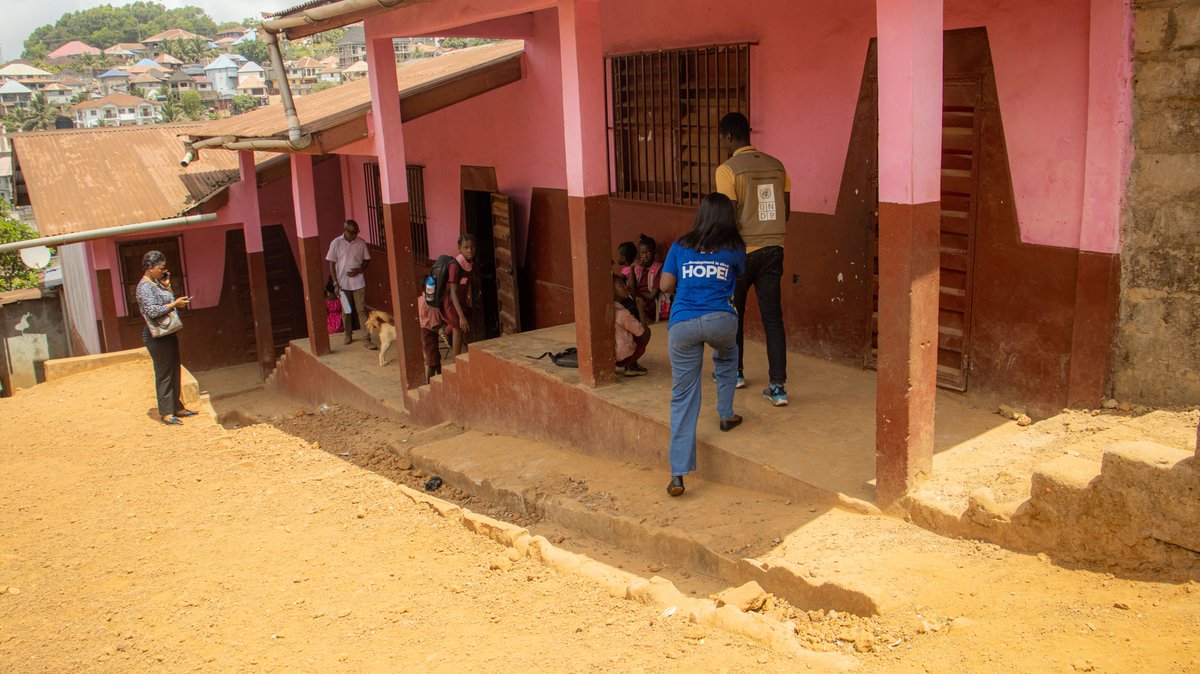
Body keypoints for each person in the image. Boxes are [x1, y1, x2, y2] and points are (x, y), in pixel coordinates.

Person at [660, 193, 746, 497]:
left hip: (682, 324)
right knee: (726, 357)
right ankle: (726, 414)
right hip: (721, 320)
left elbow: (665, 285)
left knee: (683, 396)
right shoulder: (735, 246)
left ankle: (678, 475)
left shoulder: (680, 245)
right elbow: (739, 275)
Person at [716, 112, 791, 406]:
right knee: (773, 319)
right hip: (774, 249)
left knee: (734, 316)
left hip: (741, 254)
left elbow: (727, 218)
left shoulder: (727, 170)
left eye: (722, 139)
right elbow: (785, 212)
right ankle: (778, 387)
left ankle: (735, 373)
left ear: (728, 137)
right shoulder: (778, 166)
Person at [135, 250, 197, 426]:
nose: (163, 271)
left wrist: (167, 286)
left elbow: (166, 300)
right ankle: (166, 413)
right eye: (160, 268)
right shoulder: (144, 287)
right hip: (156, 336)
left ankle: (177, 406)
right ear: (150, 268)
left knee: (174, 370)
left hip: (168, 332)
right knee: (164, 374)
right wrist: (175, 304)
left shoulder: (156, 283)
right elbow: (152, 311)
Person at [326, 219, 373, 348]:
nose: (354, 235)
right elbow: (331, 264)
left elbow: (367, 260)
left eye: (356, 232)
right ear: (345, 230)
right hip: (342, 283)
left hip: (358, 282)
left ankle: (366, 338)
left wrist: (360, 269)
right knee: (346, 310)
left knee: (362, 310)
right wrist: (335, 283)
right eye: (352, 232)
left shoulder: (361, 243)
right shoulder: (336, 243)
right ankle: (348, 334)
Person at [442, 234, 476, 358]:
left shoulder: (471, 262)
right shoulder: (455, 266)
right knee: (458, 329)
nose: (470, 250)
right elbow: (453, 292)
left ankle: (447, 330)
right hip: (452, 301)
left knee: (463, 327)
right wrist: (461, 315)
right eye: (466, 247)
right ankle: (455, 363)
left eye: (472, 247)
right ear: (459, 249)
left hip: (461, 300)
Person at [613, 273, 650, 376]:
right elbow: (642, 332)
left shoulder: (609, 308)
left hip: (610, 357)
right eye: (621, 284)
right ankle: (631, 365)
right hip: (622, 357)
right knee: (647, 332)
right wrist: (641, 309)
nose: (626, 287)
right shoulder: (622, 313)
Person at [630, 234, 669, 323]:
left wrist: (636, 294)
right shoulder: (638, 268)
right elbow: (631, 288)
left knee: (638, 302)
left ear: (654, 252)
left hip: (652, 302)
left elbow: (652, 295)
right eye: (642, 253)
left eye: (648, 253)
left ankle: (645, 320)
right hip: (638, 298)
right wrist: (631, 269)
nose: (644, 256)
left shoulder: (659, 268)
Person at [418, 291, 443, 381]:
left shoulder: (420, 299)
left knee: (435, 355)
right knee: (432, 359)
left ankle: (440, 376)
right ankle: (429, 383)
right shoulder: (430, 303)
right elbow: (434, 324)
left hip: (424, 329)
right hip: (430, 331)